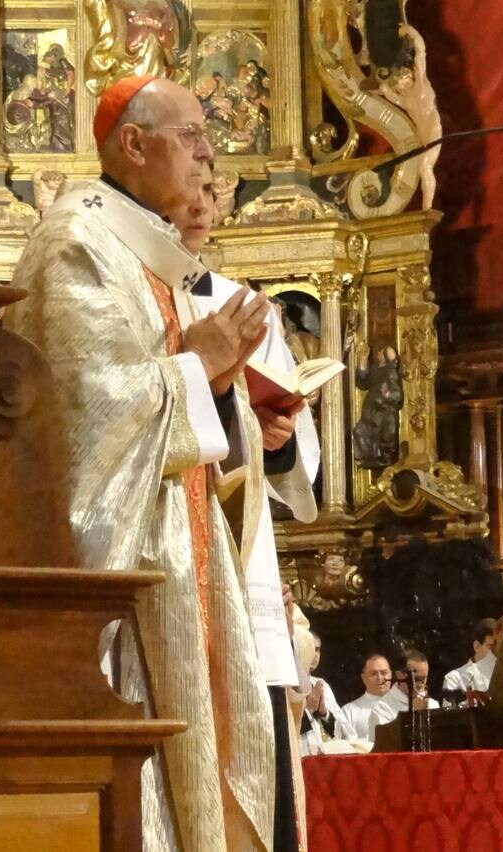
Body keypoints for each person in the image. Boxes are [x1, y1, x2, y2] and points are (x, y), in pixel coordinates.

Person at [4, 74, 277, 852]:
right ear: (132, 143)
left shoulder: (147, 251)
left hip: (181, 555)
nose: (207, 154)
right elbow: (87, 416)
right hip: (121, 581)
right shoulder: (75, 246)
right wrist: (197, 368)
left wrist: (216, 380)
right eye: (190, 135)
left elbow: (183, 396)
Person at [168, 172, 321, 852]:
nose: (201, 206)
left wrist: (277, 440)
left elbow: (296, 461)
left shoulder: (242, 305)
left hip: (238, 551)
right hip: (168, 545)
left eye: (211, 190)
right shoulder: (129, 291)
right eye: (186, 188)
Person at [296, 632, 348, 755]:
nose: (315, 655)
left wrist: (325, 714)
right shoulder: (287, 687)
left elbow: (346, 733)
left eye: (317, 649)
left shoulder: (322, 685)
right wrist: (308, 710)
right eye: (310, 649)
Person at [340, 654, 401, 744]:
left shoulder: (405, 706)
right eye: (373, 674)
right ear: (363, 678)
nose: (380, 678)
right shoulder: (349, 711)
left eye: (384, 673)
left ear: (391, 674)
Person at [442, 618, 499, 697]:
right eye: (491, 646)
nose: (497, 652)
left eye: (500, 647)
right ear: (477, 647)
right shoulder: (455, 679)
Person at [383, 647, 440, 712]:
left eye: (424, 678)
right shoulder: (383, 706)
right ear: (399, 675)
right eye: (416, 679)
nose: (420, 684)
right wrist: (417, 712)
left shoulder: (433, 704)